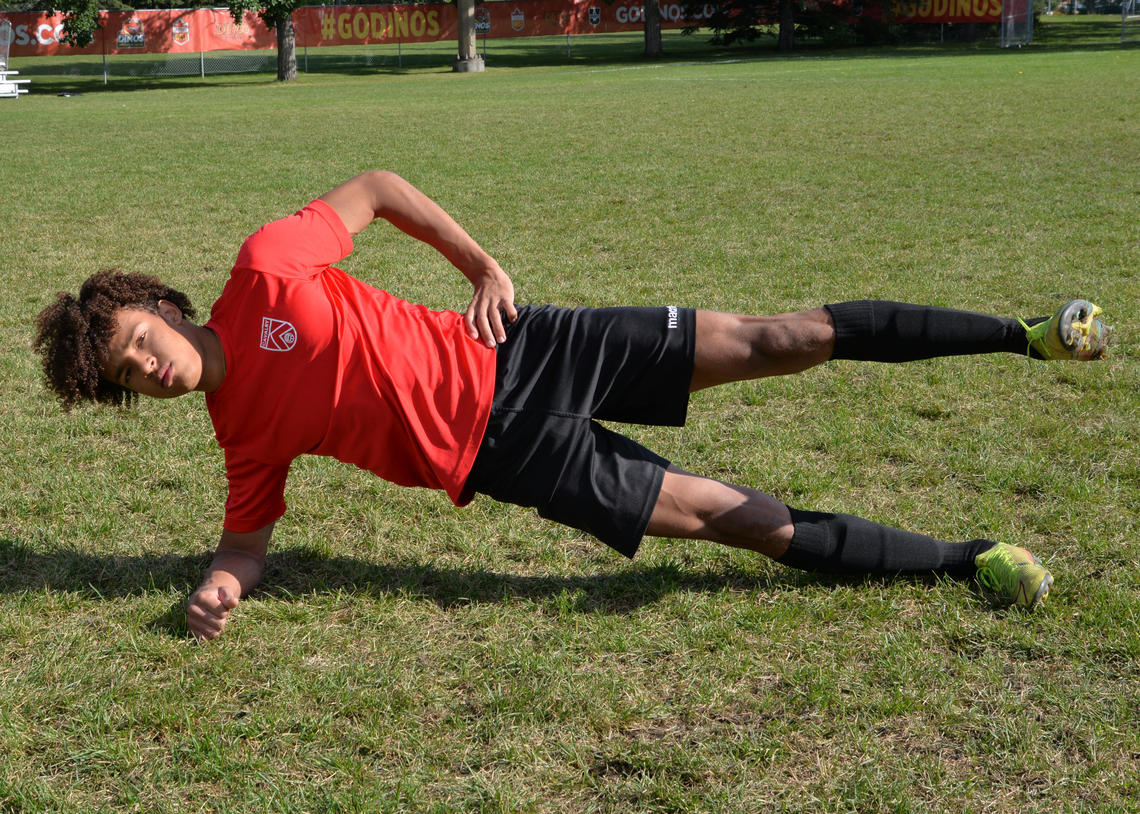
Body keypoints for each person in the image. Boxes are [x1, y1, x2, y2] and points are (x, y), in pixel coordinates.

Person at [33, 171, 1113, 641]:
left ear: (158, 306)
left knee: (784, 339)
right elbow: (247, 543)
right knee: (732, 521)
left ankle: (1018, 334)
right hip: (506, 458)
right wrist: (219, 587)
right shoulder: (242, 433)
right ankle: (968, 558)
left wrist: (479, 262)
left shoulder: (268, 268)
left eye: (139, 343)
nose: (151, 368)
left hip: (532, 345)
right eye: (129, 377)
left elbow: (375, 187)